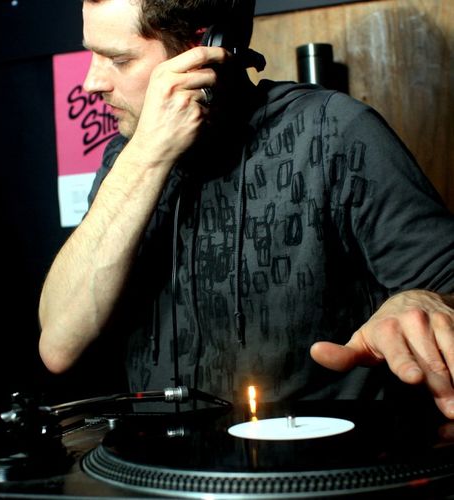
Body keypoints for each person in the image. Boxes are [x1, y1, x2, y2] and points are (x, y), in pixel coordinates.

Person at [38, 0, 454, 418]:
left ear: (203, 49)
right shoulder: (125, 160)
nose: (91, 83)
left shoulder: (334, 131)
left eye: (118, 60)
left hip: (312, 456)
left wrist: (422, 301)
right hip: (158, 458)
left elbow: (443, 287)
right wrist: (146, 157)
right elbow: (58, 345)